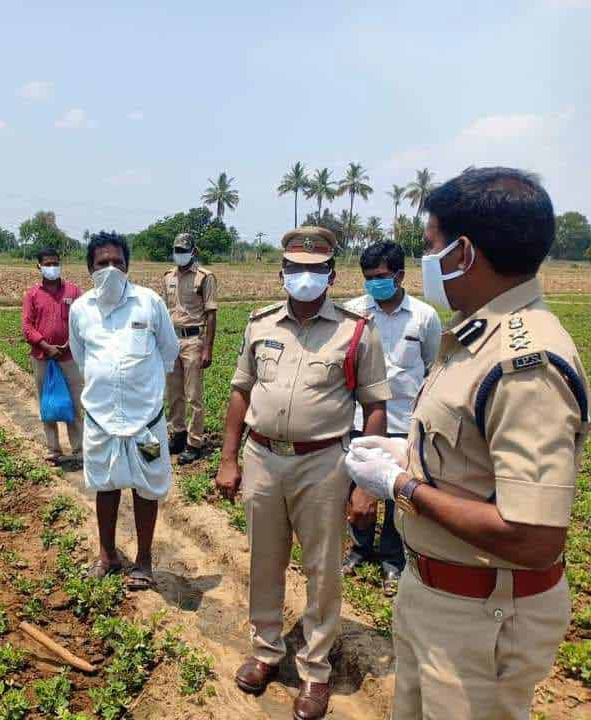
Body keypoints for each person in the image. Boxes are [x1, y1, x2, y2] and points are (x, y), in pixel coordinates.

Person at [346, 167, 588, 720]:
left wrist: (401, 487)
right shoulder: (474, 337)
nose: (427, 261)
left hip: (482, 618)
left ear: (464, 254)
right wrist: (404, 457)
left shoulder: (524, 364)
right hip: (437, 596)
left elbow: (532, 540)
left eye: (431, 246)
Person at [215, 227, 390, 719]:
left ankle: (315, 669)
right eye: (296, 269)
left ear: (331, 274)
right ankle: (266, 649)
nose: (305, 277)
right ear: (282, 273)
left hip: (324, 462)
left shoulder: (357, 331)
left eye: (315, 270)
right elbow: (240, 392)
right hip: (264, 457)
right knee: (264, 560)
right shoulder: (260, 324)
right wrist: (229, 458)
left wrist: (367, 483)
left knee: (322, 567)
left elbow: (375, 407)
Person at [69, 231, 180, 591]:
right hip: (101, 419)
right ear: (90, 268)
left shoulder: (149, 303)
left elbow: (168, 352)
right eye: (103, 263)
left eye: (118, 262)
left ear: (128, 266)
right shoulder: (80, 310)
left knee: (147, 488)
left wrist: (141, 391)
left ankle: (144, 560)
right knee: (106, 484)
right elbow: (82, 357)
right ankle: (107, 555)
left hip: (146, 421)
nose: (111, 269)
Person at [342, 241, 441, 595]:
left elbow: (432, 367)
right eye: (368, 278)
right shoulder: (354, 311)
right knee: (361, 486)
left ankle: (392, 559)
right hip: (361, 415)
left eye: (380, 277)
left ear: (400, 276)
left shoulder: (424, 317)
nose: (373, 284)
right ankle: (359, 548)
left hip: (405, 419)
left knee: (398, 495)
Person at [21, 247, 85, 468]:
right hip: (42, 358)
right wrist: (46, 346)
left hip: (69, 357)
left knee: (76, 404)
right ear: (38, 266)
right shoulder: (32, 294)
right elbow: (27, 326)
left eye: (55, 263)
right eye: (47, 264)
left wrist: (69, 343)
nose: (52, 267)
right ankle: (53, 451)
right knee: (47, 403)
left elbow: (83, 321)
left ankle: (79, 450)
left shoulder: (74, 292)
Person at [164, 233, 218, 464]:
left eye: (184, 250)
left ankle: (194, 442)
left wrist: (208, 348)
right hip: (171, 340)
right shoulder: (168, 276)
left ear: (193, 251)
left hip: (194, 341)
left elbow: (211, 313)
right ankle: (177, 434)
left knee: (193, 395)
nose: (180, 253)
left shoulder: (205, 277)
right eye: (177, 249)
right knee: (174, 393)